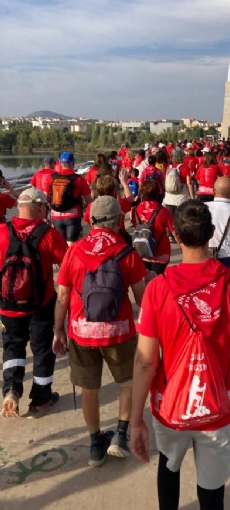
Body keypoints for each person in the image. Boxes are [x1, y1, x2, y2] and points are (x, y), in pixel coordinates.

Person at [130, 200, 230, 510]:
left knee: (169, 463)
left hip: (170, 403)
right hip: (219, 402)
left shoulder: (158, 288)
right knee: (212, 486)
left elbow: (145, 360)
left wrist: (136, 419)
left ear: (175, 235)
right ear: (212, 234)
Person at [52, 196, 147, 466]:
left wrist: (59, 330)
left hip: (81, 332)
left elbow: (62, 297)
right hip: (119, 332)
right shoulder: (127, 253)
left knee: (89, 389)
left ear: (90, 220)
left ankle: (95, 444)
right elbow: (141, 298)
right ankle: (119, 434)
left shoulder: (74, 251)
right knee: (127, 382)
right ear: (119, 220)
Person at [0, 187, 67, 418]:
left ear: (19, 207)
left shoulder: (2, 233)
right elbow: (66, 266)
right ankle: (41, 399)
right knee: (42, 350)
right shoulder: (48, 234)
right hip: (41, 304)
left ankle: (11, 389)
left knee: (13, 347)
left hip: (8, 306)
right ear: (39, 206)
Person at [132, 180, 176, 275]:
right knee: (158, 281)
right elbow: (174, 231)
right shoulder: (163, 211)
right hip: (160, 252)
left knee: (146, 280)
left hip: (142, 250)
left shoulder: (135, 210)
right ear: (157, 193)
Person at [49, 152, 92, 246]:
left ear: (60, 163)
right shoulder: (78, 179)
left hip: (55, 215)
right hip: (73, 215)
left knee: (60, 244)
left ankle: (62, 260)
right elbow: (89, 200)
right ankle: (69, 260)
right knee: (71, 244)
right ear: (73, 163)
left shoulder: (52, 177)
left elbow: (48, 197)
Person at [163, 150, 194, 220]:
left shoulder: (169, 167)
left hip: (169, 197)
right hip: (181, 197)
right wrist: (192, 197)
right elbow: (189, 183)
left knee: (171, 219)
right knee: (181, 219)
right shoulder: (185, 168)